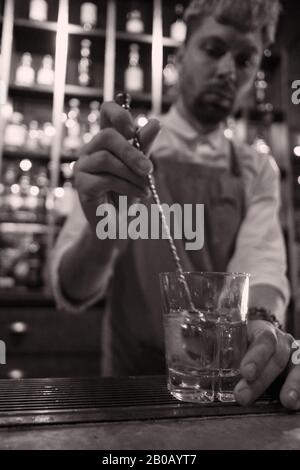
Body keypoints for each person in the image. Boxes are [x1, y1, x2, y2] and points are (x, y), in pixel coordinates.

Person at [52, 0, 300, 410]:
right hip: (127, 395)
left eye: (244, 59)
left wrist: (260, 324)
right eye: (213, 49)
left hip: (225, 390)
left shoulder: (258, 169)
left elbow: (264, 266)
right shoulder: (124, 156)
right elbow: (72, 289)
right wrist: (107, 228)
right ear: (181, 57)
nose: (227, 70)